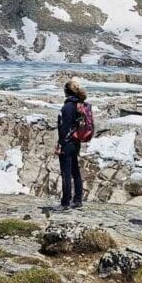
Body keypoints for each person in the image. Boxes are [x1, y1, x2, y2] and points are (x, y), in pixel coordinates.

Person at [55, 79, 86, 210]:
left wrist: (60, 144)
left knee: (66, 173)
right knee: (75, 171)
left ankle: (65, 203)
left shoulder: (67, 107)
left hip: (67, 143)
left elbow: (64, 128)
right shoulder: (80, 105)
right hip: (76, 142)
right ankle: (78, 200)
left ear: (66, 92)